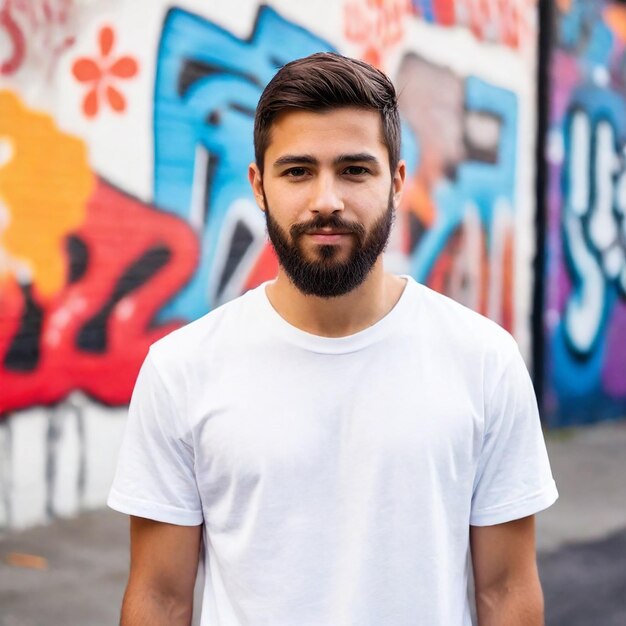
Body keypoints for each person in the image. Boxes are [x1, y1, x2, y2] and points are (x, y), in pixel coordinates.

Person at [108, 52, 558, 626]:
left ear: (396, 181)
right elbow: (159, 597)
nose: (326, 199)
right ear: (259, 186)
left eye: (355, 169)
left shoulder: (484, 360)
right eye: (297, 171)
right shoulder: (182, 368)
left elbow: (507, 592)